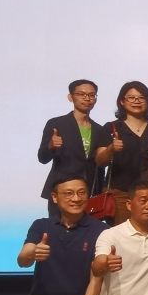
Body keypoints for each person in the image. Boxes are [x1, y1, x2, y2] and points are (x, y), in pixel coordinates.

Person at [94, 82, 148, 225]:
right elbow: (99, 161)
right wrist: (110, 149)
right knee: (121, 235)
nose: (136, 101)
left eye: (141, 98)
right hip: (120, 194)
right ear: (122, 101)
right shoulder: (111, 127)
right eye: (131, 98)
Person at [39, 79, 101, 217]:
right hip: (62, 190)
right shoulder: (57, 124)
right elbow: (42, 158)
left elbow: (99, 165)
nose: (87, 98)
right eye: (81, 94)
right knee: (58, 228)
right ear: (70, 97)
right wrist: (50, 146)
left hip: (88, 193)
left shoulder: (99, 129)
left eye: (92, 95)